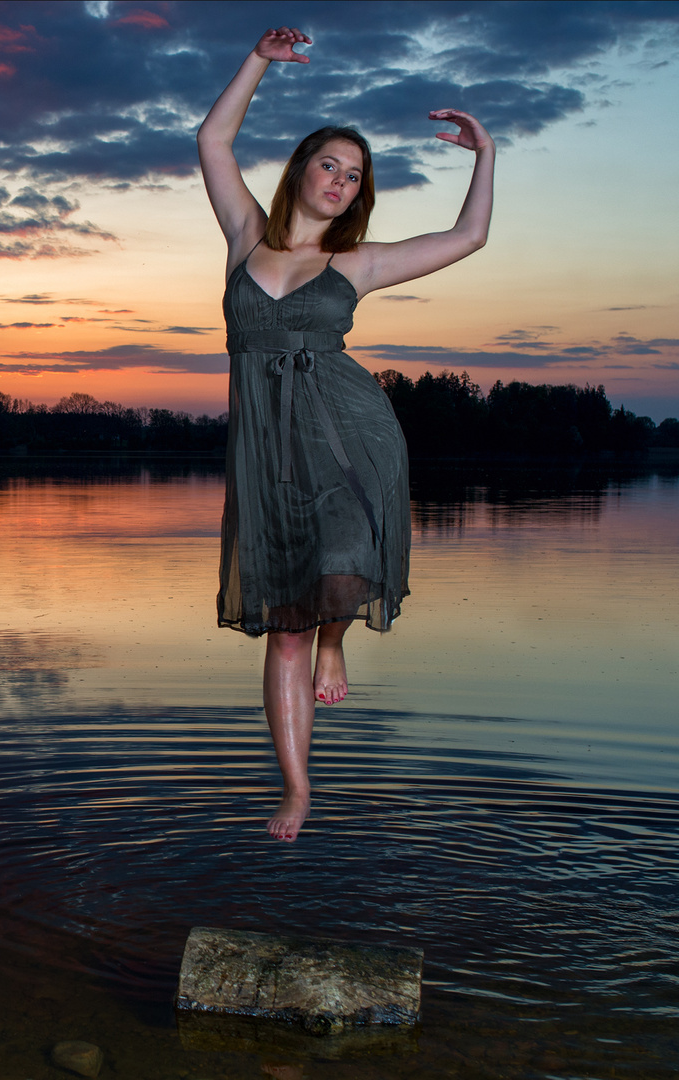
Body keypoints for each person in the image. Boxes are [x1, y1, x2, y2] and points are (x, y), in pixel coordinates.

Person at [196, 27, 494, 841]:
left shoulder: (354, 264)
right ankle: (297, 790)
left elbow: (467, 239)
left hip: (350, 434)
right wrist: (257, 57)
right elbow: (213, 139)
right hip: (265, 456)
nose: (341, 179)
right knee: (279, 633)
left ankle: (340, 643)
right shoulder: (244, 238)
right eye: (330, 164)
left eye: (355, 174)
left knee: (340, 560)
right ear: (302, 170)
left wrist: (485, 153)